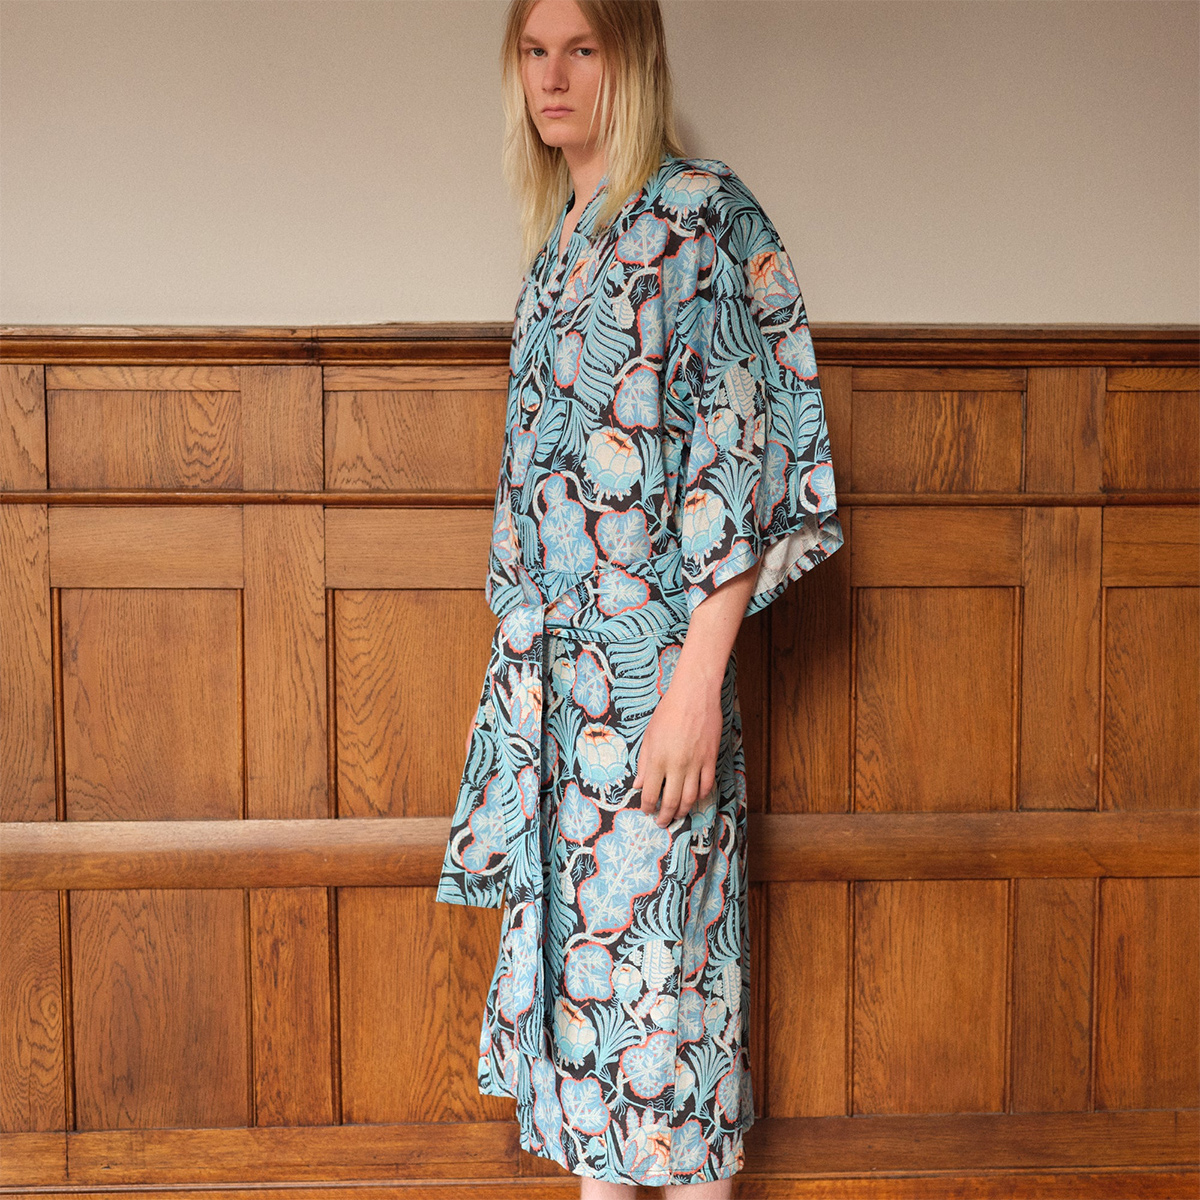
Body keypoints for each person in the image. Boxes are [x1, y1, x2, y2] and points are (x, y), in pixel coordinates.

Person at [435, 0, 843, 1194]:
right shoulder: (556, 251)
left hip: (656, 689)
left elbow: (737, 464)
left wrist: (696, 690)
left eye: (583, 48)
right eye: (533, 51)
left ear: (635, 60)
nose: (553, 77)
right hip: (558, 715)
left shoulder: (701, 218)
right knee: (584, 1052)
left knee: (671, 1033)